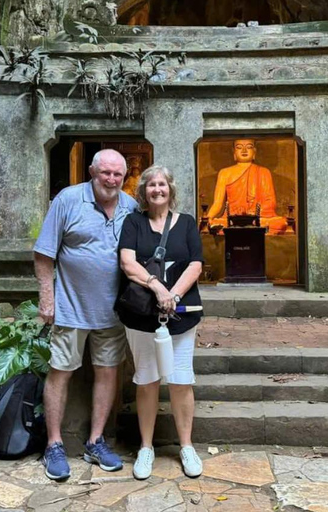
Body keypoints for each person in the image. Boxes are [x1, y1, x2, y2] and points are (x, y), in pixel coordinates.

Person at [33, 149, 138, 481]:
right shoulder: (68, 200)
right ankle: (53, 444)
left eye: (117, 174)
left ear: (125, 176)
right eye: (105, 172)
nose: (110, 179)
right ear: (92, 171)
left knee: (108, 373)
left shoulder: (130, 206)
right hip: (70, 307)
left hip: (113, 312)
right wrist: (47, 301)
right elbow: (43, 255)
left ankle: (95, 441)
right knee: (60, 372)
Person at [116, 165, 204, 480]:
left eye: (162, 184)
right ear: (143, 191)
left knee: (181, 379)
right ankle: (146, 447)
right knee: (147, 378)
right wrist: (157, 286)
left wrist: (174, 295)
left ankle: (186, 446)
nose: (157, 189)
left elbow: (195, 264)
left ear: (171, 190)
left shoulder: (187, 224)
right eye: (151, 185)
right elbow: (127, 263)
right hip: (141, 316)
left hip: (181, 314)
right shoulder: (133, 223)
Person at [208, 139, 287, 234]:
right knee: (217, 223)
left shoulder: (263, 172)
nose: (244, 150)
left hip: (257, 218)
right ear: (234, 152)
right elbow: (217, 204)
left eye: (249, 147)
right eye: (239, 147)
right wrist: (208, 218)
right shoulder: (224, 173)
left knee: (280, 223)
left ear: (254, 152)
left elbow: (271, 202)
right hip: (232, 219)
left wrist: (251, 212)